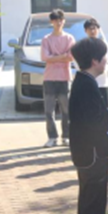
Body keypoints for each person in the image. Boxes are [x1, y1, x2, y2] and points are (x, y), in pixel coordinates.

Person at [68, 37, 108, 214]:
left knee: (92, 198)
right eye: (103, 57)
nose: (106, 61)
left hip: (88, 151)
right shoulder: (86, 84)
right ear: (94, 61)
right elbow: (95, 119)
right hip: (92, 152)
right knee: (93, 200)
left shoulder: (84, 81)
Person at [41, 9, 75, 147]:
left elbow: (71, 57)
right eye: (55, 20)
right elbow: (45, 57)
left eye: (60, 19)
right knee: (49, 111)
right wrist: (62, 56)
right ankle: (52, 137)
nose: (58, 22)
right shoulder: (46, 39)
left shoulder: (69, 38)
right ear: (51, 22)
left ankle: (66, 136)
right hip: (49, 78)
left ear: (64, 21)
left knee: (66, 110)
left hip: (64, 78)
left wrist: (54, 57)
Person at [83, 18, 108, 107]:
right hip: (88, 83)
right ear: (85, 30)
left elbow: (107, 60)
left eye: (94, 28)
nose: (92, 31)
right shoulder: (83, 45)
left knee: (105, 109)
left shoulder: (104, 44)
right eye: (90, 29)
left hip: (103, 83)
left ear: (98, 30)